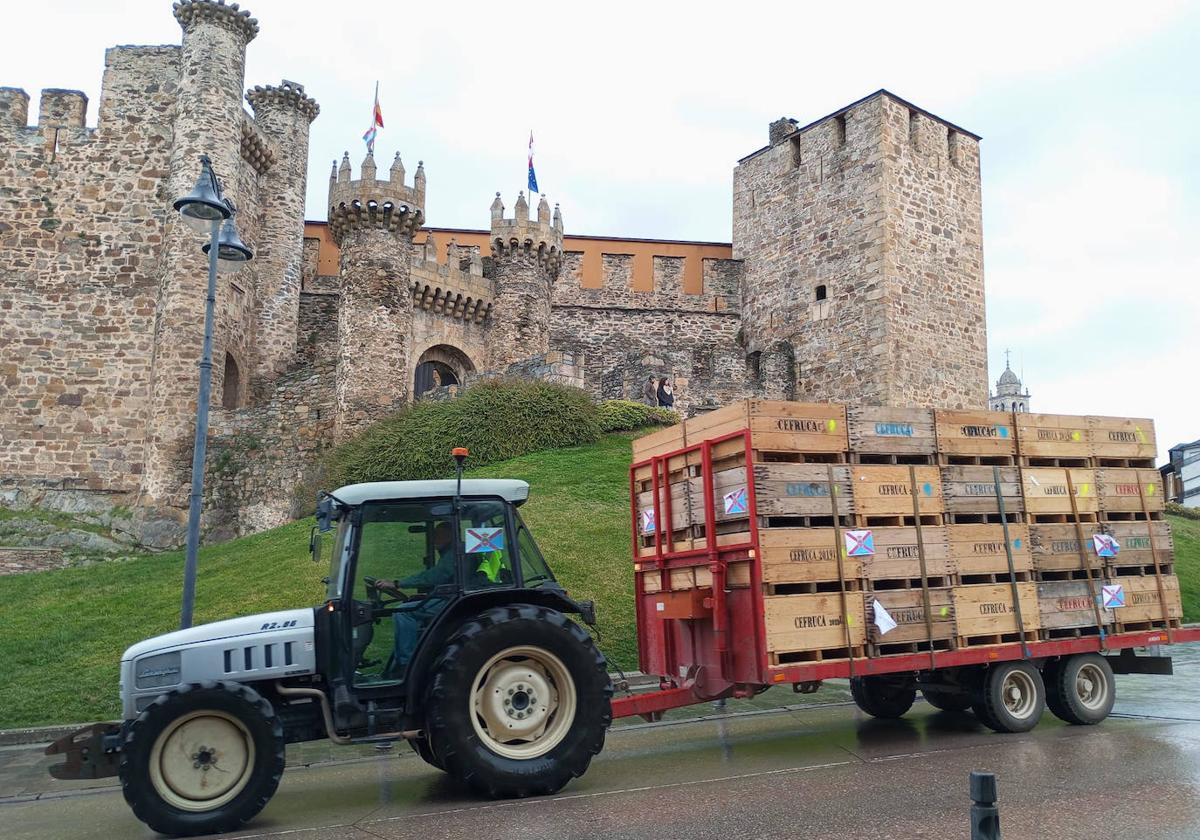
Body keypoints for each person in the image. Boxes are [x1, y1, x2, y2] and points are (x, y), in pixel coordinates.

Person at [377, 521, 456, 675]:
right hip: (447, 596)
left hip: (451, 600)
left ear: (449, 535)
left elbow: (433, 576)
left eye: (438, 535)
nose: (434, 539)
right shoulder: (451, 553)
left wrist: (397, 584)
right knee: (410, 605)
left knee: (403, 612)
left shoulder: (453, 554)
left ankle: (407, 665)